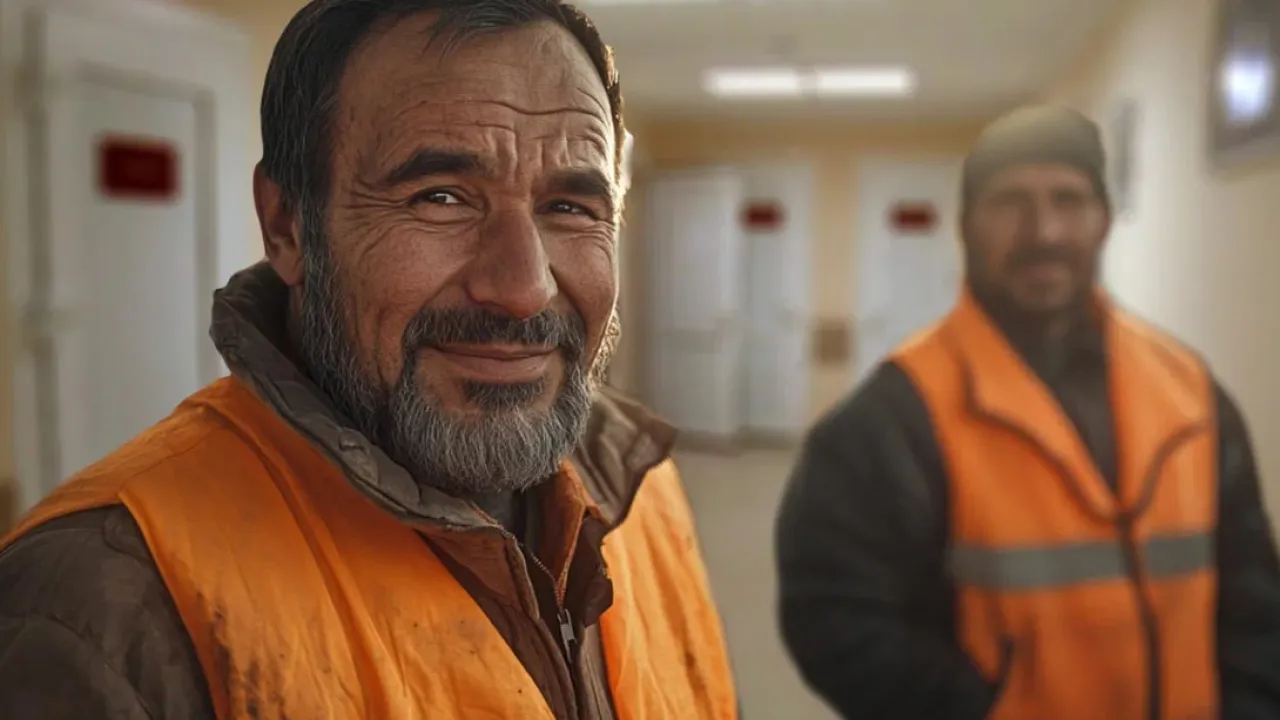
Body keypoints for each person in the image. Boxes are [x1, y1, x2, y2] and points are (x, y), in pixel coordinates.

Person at [0, 1, 738, 718]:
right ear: (287, 226)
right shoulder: (100, 612)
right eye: (440, 197)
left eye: (570, 207)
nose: (523, 289)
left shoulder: (642, 487)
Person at [775, 104, 1280, 720]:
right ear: (966, 226)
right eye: (1010, 202)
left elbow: (1253, 598)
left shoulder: (1189, 392)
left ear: (1103, 220)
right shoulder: (891, 418)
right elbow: (833, 620)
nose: (1045, 232)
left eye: (1069, 200)